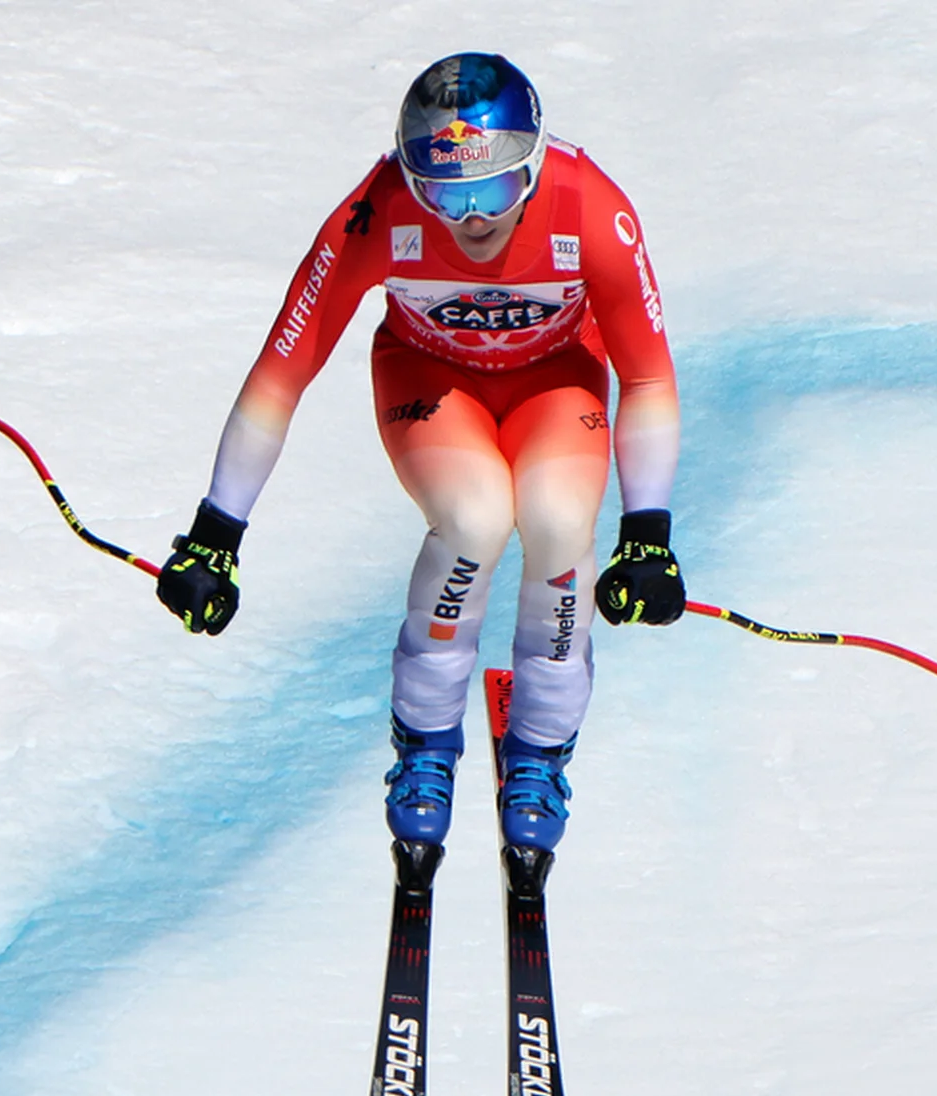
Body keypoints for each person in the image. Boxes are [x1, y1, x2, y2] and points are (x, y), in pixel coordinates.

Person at [153, 52, 685, 854]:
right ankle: (426, 740)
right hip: (432, 379)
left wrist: (647, 530)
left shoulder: (592, 210)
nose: (471, 220)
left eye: (495, 191)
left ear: (537, 164)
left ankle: (541, 749)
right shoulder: (377, 211)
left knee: (557, 524)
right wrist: (215, 533)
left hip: (556, 381)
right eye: (444, 195)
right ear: (410, 180)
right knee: (475, 520)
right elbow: (281, 373)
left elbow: (647, 376)